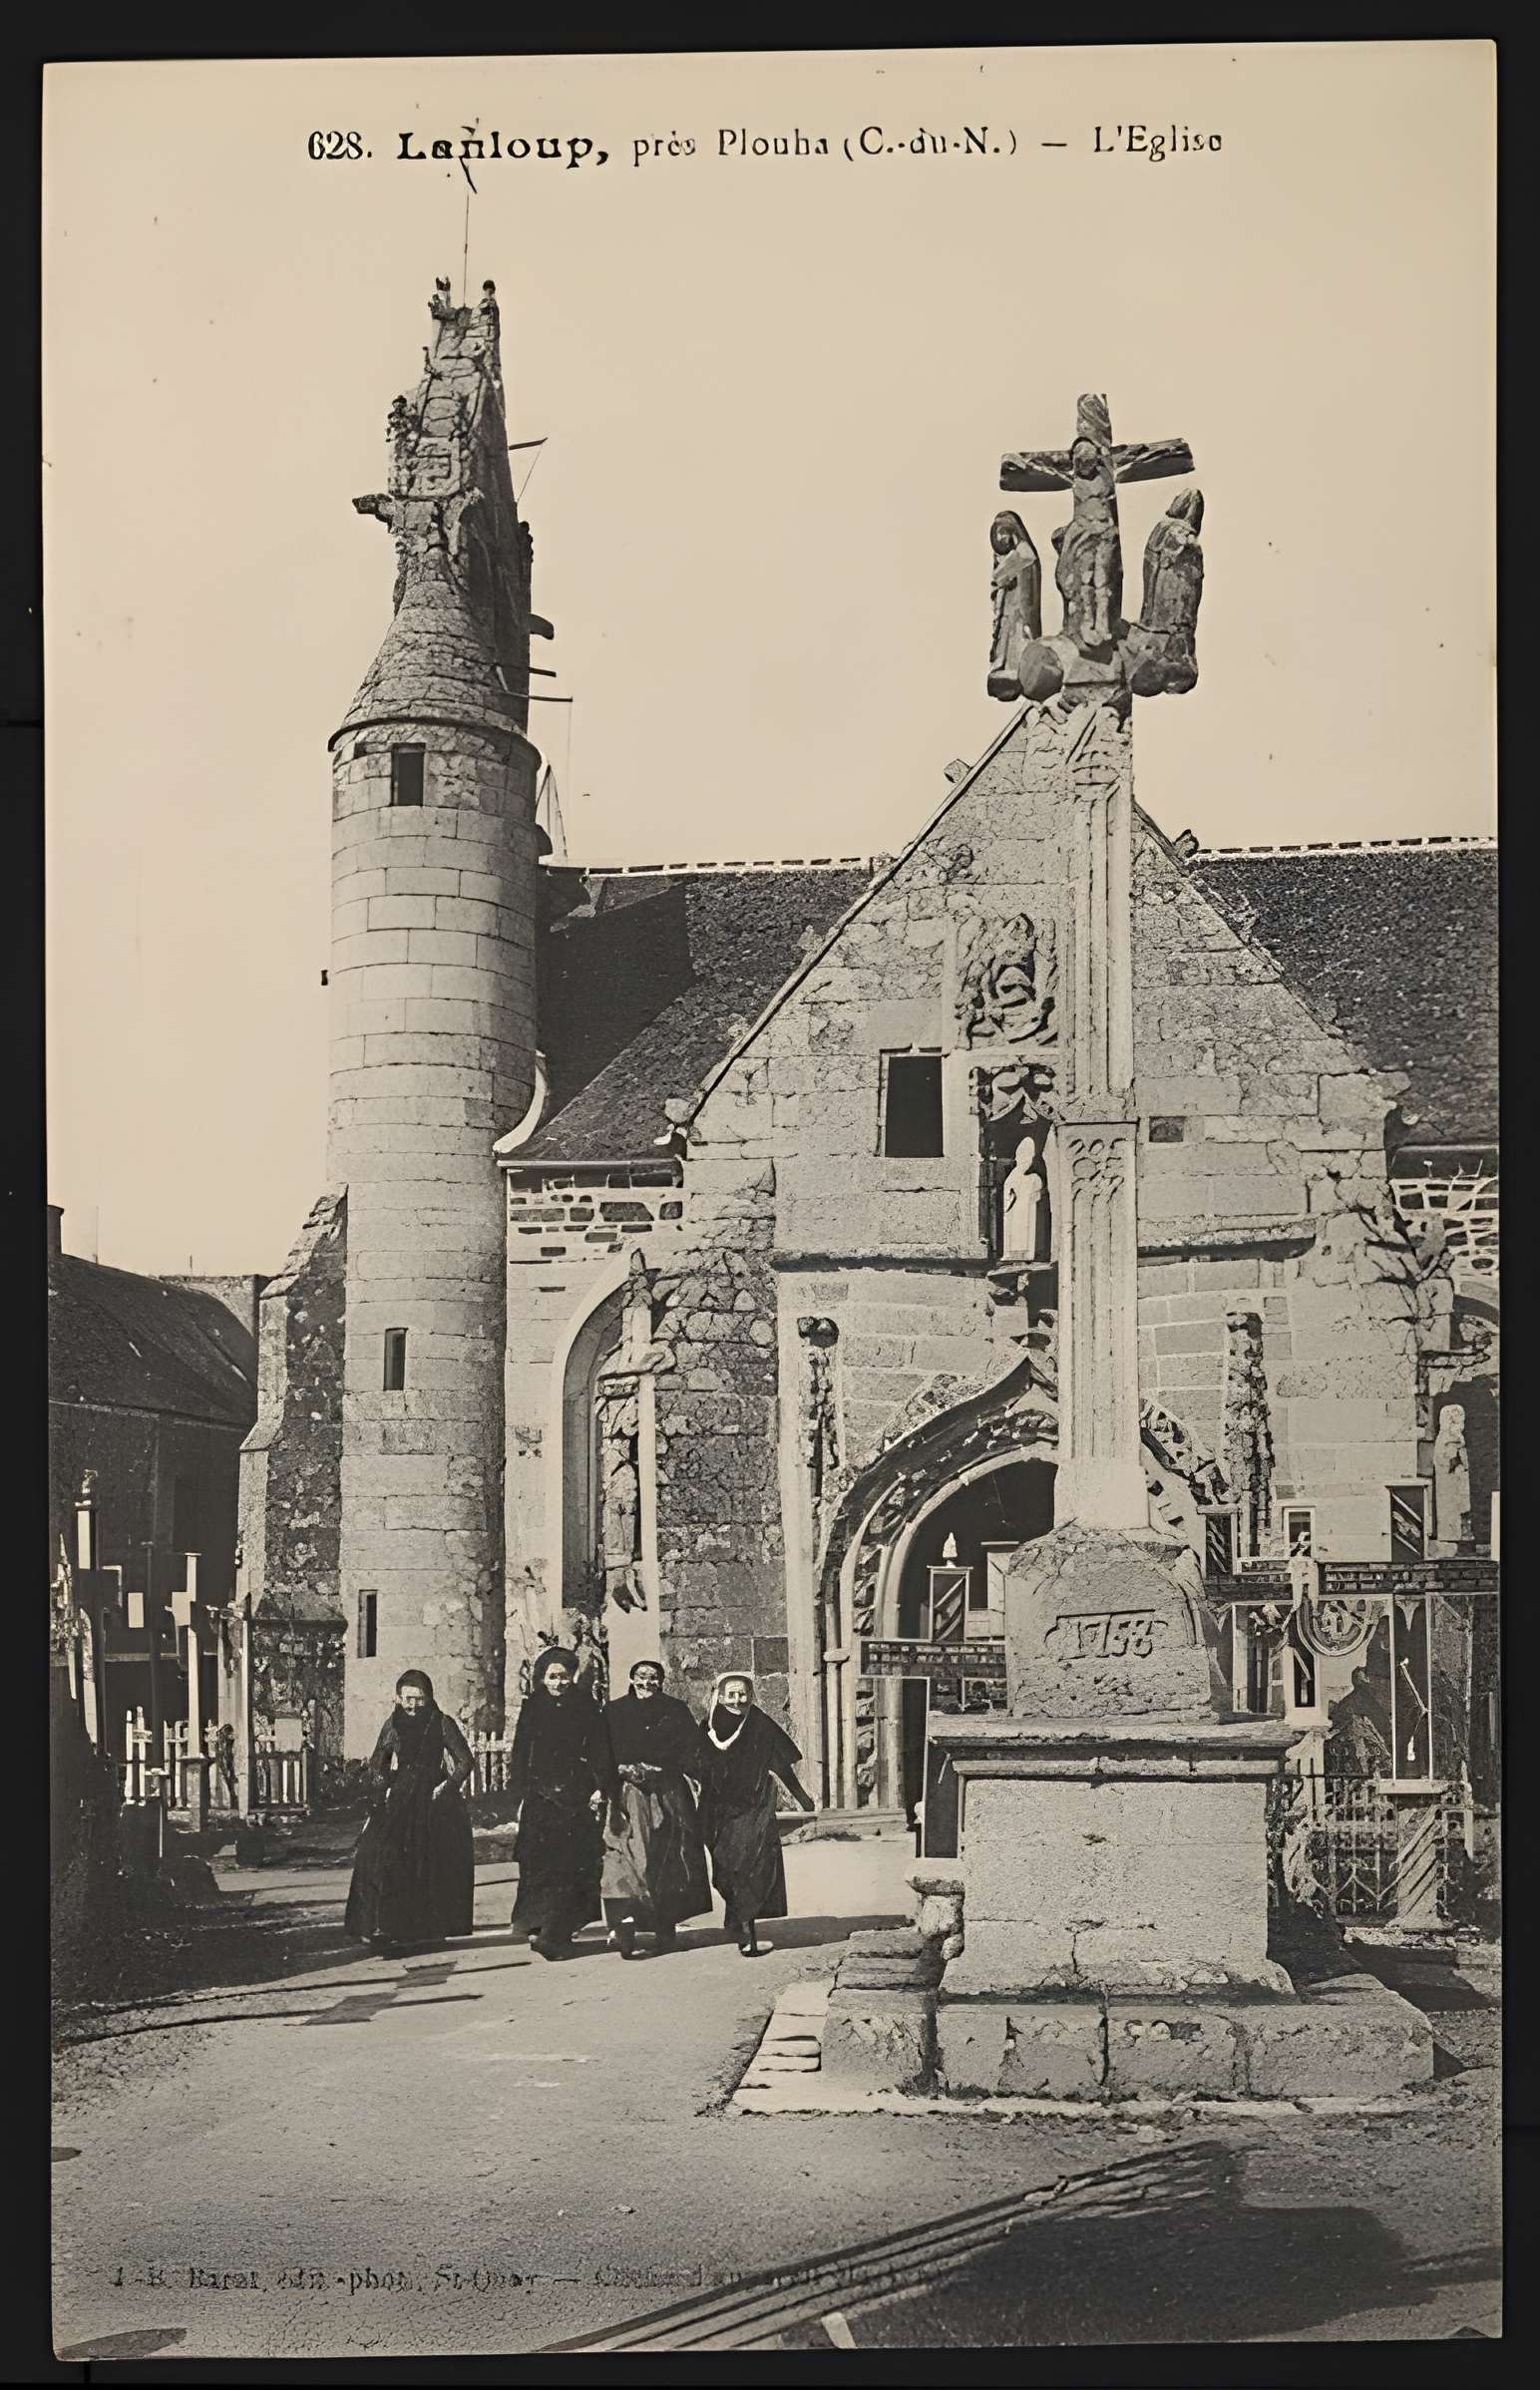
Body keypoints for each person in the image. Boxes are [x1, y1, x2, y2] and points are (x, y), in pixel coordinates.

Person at [344, 1669, 475, 1952]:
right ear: (398, 1697)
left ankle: (424, 1927)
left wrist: (447, 1787)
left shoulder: (442, 1723)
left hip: (433, 1799)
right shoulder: (393, 1723)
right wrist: (379, 1794)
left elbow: (465, 1760)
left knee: (428, 1860)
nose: (413, 1705)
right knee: (377, 1854)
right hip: (402, 1794)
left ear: (429, 1697)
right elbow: (379, 1761)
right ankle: (381, 1925)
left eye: (419, 1698)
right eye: (407, 1698)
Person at [507, 1646, 617, 1959]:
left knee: (571, 1866)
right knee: (539, 1865)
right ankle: (541, 1926)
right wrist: (518, 1795)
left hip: (575, 1795)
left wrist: (601, 1787)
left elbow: (600, 1748)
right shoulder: (533, 1707)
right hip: (540, 1797)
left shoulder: (586, 1706)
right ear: (542, 1677)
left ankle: (558, 1933)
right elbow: (520, 1753)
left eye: (564, 1676)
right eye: (552, 1677)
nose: (558, 1682)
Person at [697, 1673, 815, 1957]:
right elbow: (695, 1766)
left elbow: (781, 1765)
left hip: (755, 1805)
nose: (738, 1700)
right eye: (732, 1694)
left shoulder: (760, 1724)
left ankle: (747, 1935)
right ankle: (737, 1919)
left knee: (750, 1866)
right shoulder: (707, 1727)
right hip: (718, 1810)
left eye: (743, 1693)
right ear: (720, 1696)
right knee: (725, 1871)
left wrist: (803, 1799)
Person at [601, 1659, 712, 1958]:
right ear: (632, 1678)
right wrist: (620, 1772)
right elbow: (603, 1753)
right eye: (641, 1677)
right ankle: (624, 1925)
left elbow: (692, 1749)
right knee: (626, 1857)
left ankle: (666, 1927)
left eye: (653, 1678)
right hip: (627, 1795)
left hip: (668, 1793)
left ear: (661, 1681)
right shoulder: (614, 1711)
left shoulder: (675, 1711)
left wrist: (666, 1768)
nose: (647, 1683)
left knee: (669, 1859)